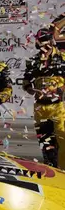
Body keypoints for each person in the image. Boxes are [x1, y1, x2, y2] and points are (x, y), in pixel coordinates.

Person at [22, 28, 65, 167]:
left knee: (62, 139)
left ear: (52, 40)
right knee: (46, 142)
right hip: (40, 107)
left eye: (45, 39)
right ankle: (51, 167)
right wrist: (31, 89)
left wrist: (60, 90)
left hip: (59, 106)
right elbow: (26, 82)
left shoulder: (63, 58)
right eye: (40, 41)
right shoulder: (33, 61)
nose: (42, 44)